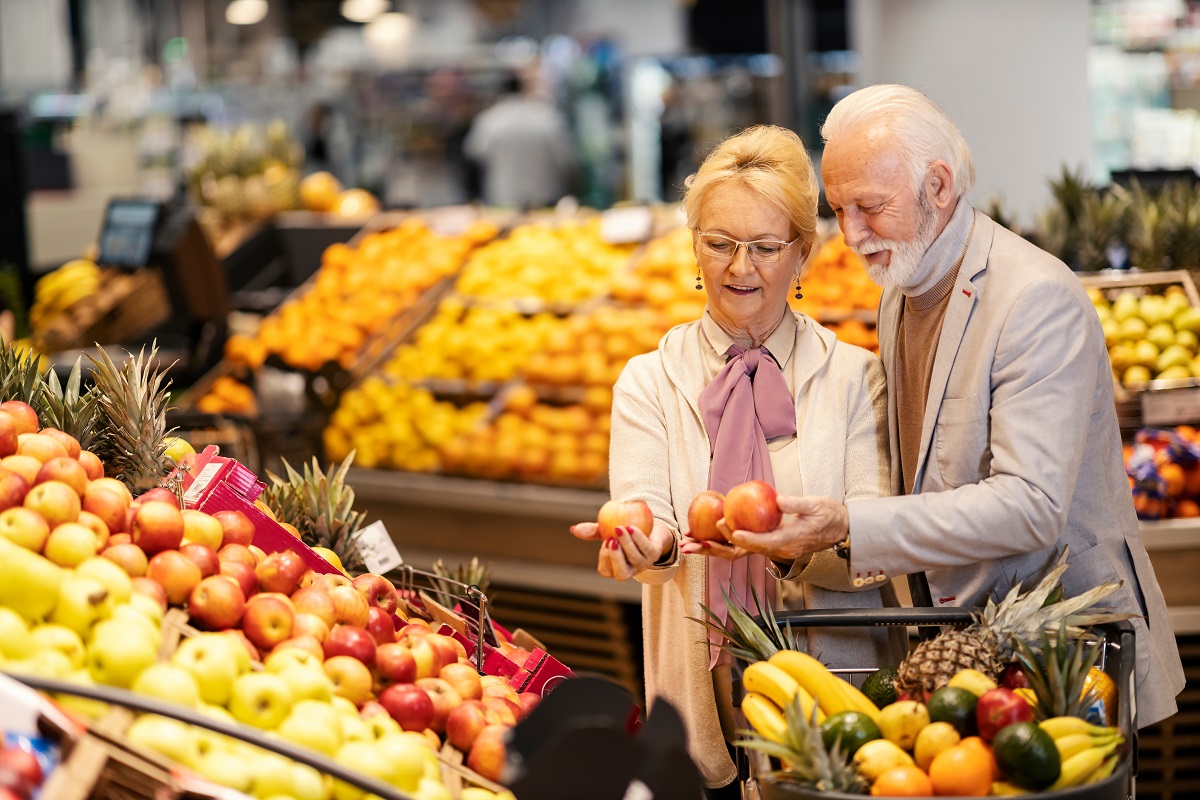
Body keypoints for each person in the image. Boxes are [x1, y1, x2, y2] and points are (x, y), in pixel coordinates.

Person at [706, 84, 1184, 728]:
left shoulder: (1033, 299)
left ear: (938, 185)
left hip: (1068, 660)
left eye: (870, 207)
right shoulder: (902, 290)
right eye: (838, 209)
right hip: (967, 653)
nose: (849, 234)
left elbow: (1030, 505)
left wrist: (849, 524)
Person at [570, 125, 907, 795]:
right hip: (701, 686)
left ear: (803, 256)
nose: (738, 269)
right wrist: (643, 542)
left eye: (763, 247)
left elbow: (880, 545)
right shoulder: (649, 381)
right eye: (719, 244)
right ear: (693, 248)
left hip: (837, 689)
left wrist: (800, 546)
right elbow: (654, 515)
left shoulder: (854, 378)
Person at [463, 73, 576, 209]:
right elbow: (566, 160)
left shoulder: (489, 120)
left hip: (502, 200)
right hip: (544, 200)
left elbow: (473, 155)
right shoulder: (547, 117)